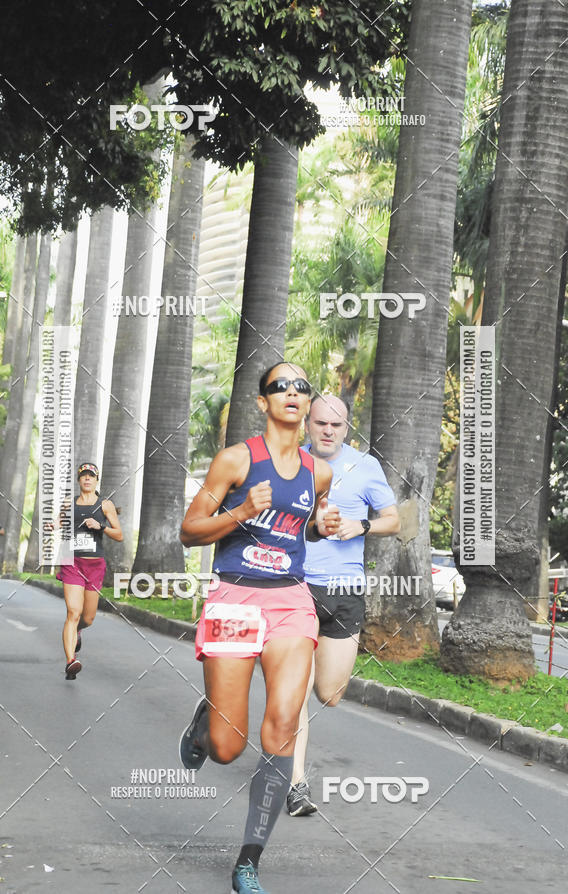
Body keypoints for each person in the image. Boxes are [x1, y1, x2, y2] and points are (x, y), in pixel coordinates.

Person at [178, 363, 340, 894]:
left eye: (301, 387)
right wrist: (242, 509)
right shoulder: (236, 460)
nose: (293, 393)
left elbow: (303, 527)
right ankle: (206, 727)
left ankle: (248, 861)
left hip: (291, 603)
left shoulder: (318, 472)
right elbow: (189, 530)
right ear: (262, 402)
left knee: (282, 728)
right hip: (234, 599)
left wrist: (321, 525)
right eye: (280, 387)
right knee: (229, 747)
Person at [286, 394, 400, 817]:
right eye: (320, 423)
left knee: (329, 693)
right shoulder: (290, 463)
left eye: (335, 425)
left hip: (344, 592)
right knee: (295, 692)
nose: (327, 431)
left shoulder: (365, 466)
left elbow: (394, 519)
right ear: (308, 425)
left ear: (346, 428)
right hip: (295, 587)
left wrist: (362, 524)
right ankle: (295, 783)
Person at [56, 462, 122, 680]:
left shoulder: (105, 505)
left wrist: (100, 526)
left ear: (96, 480)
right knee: (73, 612)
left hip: (94, 565)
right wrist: (52, 526)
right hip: (72, 562)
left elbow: (119, 535)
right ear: (78, 480)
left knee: (88, 618)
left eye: (90, 476)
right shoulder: (69, 502)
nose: (87, 479)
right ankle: (70, 660)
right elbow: (58, 523)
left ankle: (79, 631)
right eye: (83, 476)